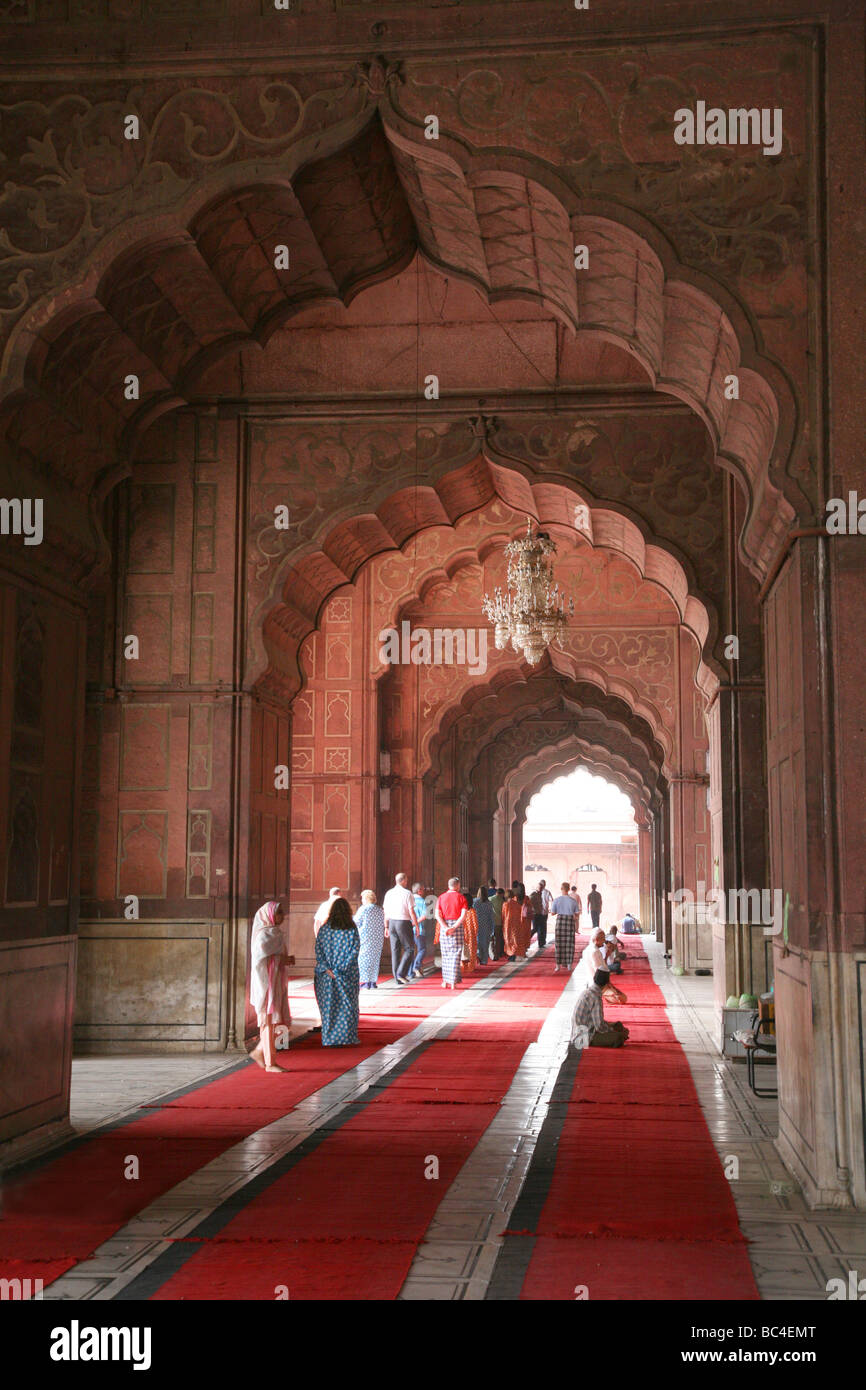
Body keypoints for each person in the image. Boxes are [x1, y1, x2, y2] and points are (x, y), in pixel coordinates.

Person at [250, 900, 295, 1072]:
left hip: (276, 982)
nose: (282, 916)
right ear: (269, 915)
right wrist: (281, 960)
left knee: (278, 1021)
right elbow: (260, 961)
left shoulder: (275, 933)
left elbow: (275, 957)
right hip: (266, 984)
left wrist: (285, 960)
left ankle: (260, 1051)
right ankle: (270, 1062)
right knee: (268, 1022)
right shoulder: (264, 935)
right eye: (279, 913)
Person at [314, 896, 360, 1045]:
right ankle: (347, 1037)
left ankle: (328, 1038)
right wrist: (341, 969)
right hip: (347, 974)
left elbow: (318, 950)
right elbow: (355, 950)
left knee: (328, 1006)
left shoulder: (324, 930)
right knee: (348, 1005)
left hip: (326, 975)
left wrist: (327, 969)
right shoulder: (351, 930)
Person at [570, 969, 629, 1049]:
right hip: (585, 1037)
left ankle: (618, 1034)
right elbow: (599, 1026)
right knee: (618, 1037)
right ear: (607, 984)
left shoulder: (588, 991)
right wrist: (613, 1031)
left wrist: (612, 1028)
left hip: (585, 1030)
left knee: (618, 1025)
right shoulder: (596, 997)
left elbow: (597, 1022)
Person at [382, 871, 419, 985]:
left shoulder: (389, 893)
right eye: (406, 880)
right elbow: (411, 911)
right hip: (403, 922)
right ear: (403, 881)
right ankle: (400, 973)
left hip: (392, 922)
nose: (407, 882)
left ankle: (397, 976)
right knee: (410, 949)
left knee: (395, 950)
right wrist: (416, 925)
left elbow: (385, 911)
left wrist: (386, 926)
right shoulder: (407, 893)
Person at [436, 876, 467, 988]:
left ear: (448, 885)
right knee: (456, 954)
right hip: (457, 926)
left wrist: (445, 927)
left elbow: (437, 915)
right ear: (457, 885)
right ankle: (453, 981)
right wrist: (454, 927)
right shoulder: (461, 898)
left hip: (444, 926)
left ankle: (445, 980)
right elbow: (463, 915)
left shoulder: (441, 897)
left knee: (445, 954)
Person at [353, 889, 385, 989]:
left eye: (362, 898)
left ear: (366, 898)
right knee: (375, 959)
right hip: (377, 938)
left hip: (365, 937)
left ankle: (365, 982)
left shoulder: (364, 909)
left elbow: (356, 922)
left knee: (364, 958)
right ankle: (372, 981)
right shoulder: (379, 909)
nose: (362, 900)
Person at [551, 881, 579, 971]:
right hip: (570, 921)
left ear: (561, 889)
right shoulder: (573, 901)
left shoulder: (557, 900)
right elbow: (577, 914)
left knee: (559, 943)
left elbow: (552, 913)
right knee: (569, 943)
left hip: (560, 921)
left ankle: (558, 966)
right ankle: (569, 965)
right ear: (569, 889)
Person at [502, 888, 530, 960]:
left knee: (508, 939)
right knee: (515, 940)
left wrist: (503, 923)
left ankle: (511, 954)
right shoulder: (517, 904)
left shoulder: (505, 905)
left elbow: (503, 916)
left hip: (508, 925)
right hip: (516, 924)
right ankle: (514, 954)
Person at [409, 881, 428, 980]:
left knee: (410, 950)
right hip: (418, 929)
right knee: (422, 949)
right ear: (419, 890)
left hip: (407, 929)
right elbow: (424, 916)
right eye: (423, 889)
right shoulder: (421, 900)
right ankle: (416, 967)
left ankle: (410, 972)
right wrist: (415, 923)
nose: (424, 891)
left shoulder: (408, 899)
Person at [473, 885, 495, 965]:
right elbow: (491, 917)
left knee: (477, 943)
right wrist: (492, 929)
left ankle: (478, 957)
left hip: (477, 925)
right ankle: (484, 960)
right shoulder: (489, 903)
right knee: (485, 944)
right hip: (486, 926)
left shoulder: (474, 902)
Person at [461, 892, 478, 975]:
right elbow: (475, 924)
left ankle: (463, 966)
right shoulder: (472, 911)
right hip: (471, 934)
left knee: (463, 950)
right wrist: (475, 933)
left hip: (462, 933)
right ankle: (470, 967)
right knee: (471, 950)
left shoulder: (461, 911)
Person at [489, 883, 505, 959]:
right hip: (499, 923)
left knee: (491, 939)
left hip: (491, 923)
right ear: (502, 894)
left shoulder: (490, 899)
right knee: (498, 940)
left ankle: (492, 955)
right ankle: (498, 954)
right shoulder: (503, 901)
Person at [530, 883, 548, 950]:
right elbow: (529, 902)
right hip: (535, 914)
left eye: (542, 888)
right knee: (535, 929)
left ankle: (541, 944)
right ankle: (526, 939)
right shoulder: (533, 894)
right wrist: (533, 909)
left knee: (541, 929)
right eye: (540, 888)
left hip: (540, 914)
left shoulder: (540, 894)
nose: (541, 889)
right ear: (537, 888)